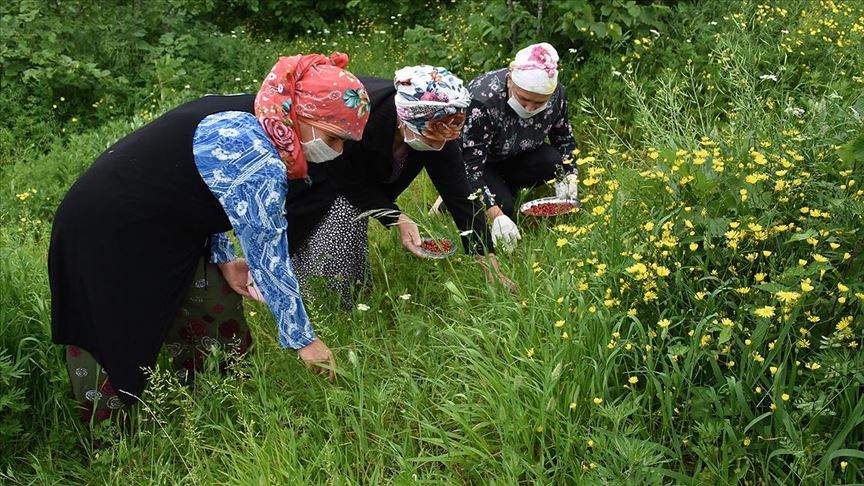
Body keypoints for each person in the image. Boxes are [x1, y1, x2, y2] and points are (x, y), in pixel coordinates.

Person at [49, 52, 370, 422]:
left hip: (168, 224)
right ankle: (110, 435)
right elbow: (268, 255)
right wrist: (304, 339)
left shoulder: (263, 112)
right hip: (104, 230)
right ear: (301, 113)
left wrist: (223, 258)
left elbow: (204, 188)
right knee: (113, 328)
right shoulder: (254, 150)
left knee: (213, 302)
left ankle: (220, 403)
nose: (337, 151)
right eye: (333, 137)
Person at [285, 65, 513, 307]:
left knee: (351, 273)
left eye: (443, 141)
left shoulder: (439, 126)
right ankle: (309, 294)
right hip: (319, 175)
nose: (438, 146)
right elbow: (347, 179)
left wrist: (489, 264)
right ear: (404, 121)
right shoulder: (361, 119)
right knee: (333, 234)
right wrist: (396, 217)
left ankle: (345, 295)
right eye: (430, 139)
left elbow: (460, 195)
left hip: (356, 181)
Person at [431, 43, 579, 252]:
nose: (529, 108)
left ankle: (497, 187)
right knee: (505, 207)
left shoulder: (558, 96)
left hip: (516, 154)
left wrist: (570, 175)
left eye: (539, 103)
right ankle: (449, 198)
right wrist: (497, 216)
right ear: (510, 81)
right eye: (524, 99)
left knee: (553, 162)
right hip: (478, 162)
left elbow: (564, 140)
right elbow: (470, 167)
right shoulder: (482, 100)